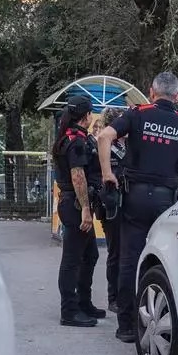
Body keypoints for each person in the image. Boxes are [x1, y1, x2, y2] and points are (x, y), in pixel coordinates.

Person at [97, 72, 178, 343]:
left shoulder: (137, 114)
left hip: (134, 199)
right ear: (177, 96)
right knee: (164, 262)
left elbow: (104, 137)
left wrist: (108, 173)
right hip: (167, 202)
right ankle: (157, 319)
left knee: (129, 262)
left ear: (152, 92)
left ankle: (127, 327)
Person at [51, 94, 106, 327]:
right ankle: (69, 311)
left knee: (90, 254)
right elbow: (78, 175)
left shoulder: (71, 136)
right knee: (72, 259)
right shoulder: (77, 141)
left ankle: (84, 303)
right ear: (87, 115)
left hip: (75, 203)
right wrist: (85, 208)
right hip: (75, 204)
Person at [96, 107, 129, 314]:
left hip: (130, 204)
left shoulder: (131, 145)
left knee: (129, 251)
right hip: (112, 205)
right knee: (115, 252)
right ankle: (113, 297)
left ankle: (127, 294)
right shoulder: (107, 146)